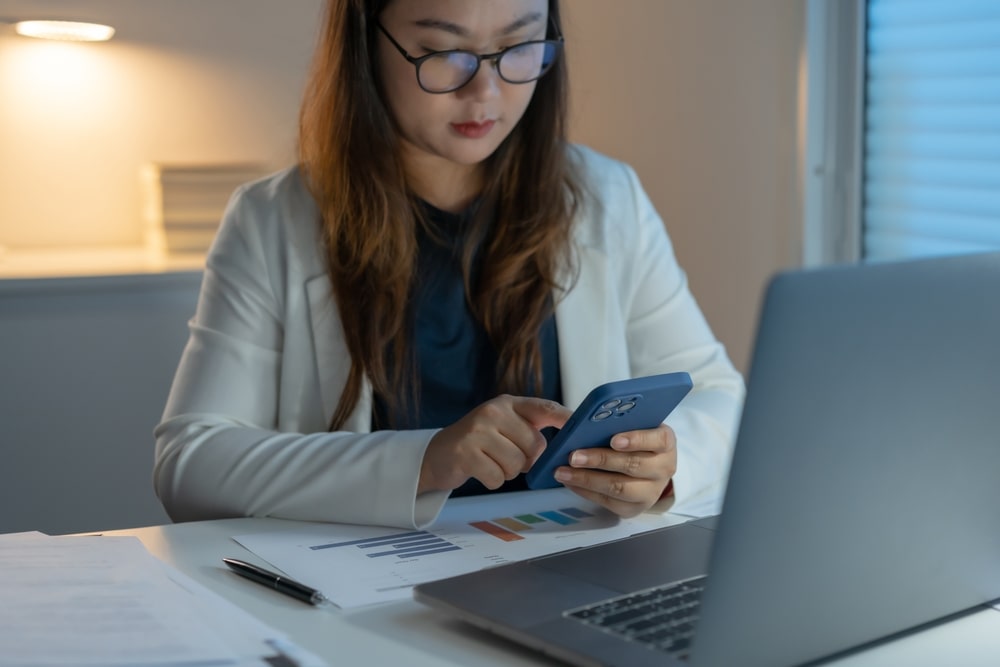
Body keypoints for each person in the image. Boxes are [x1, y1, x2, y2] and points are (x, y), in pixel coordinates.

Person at [153, 0, 745, 529]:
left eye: (520, 46)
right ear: (366, 38)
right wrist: (426, 459)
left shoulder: (609, 197)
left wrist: (666, 462)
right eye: (443, 52)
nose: (485, 93)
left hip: (563, 565)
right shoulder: (271, 220)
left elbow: (720, 398)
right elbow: (191, 463)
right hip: (370, 585)